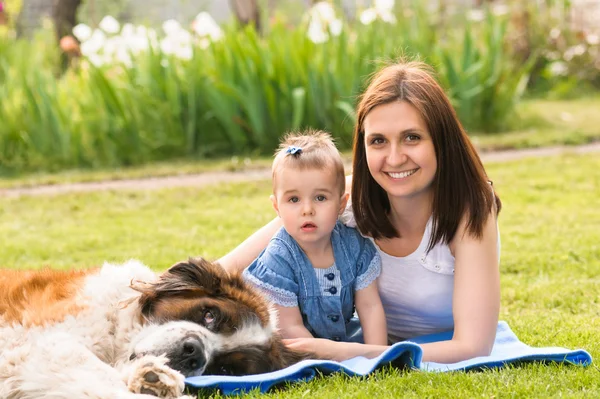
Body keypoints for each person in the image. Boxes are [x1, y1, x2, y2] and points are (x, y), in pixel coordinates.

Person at [219, 60, 501, 364]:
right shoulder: (345, 199)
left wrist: (347, 354)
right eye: (378, 141)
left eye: (412, 137)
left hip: (388, 347)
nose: (394, 158)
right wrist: (164, 291)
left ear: (441, 141)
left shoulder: (470, 207)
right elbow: (225, 269)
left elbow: (472, 348)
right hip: (353, 338)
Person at [243, 130, 387, 345]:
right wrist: (331, 359)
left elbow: (370, 306)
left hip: (342, 336)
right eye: (294, 199)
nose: (307, 210)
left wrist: (377, 355)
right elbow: (290, 328)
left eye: (320, 197)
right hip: (297, 344)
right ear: (276, 207)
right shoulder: (278, 260)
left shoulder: (354, 246)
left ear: (340, 204)